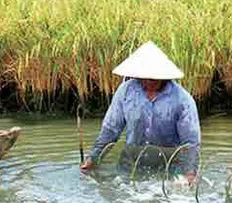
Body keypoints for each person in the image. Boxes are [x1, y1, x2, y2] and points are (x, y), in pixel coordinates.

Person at [80, 41, 201, 185]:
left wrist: (189, 172)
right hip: (132, 161)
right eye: (145, 77)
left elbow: (190, 142)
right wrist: (93, 158)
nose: (149, 81)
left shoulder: (182, 99)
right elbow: (111, 130)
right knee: (123, 194)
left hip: (169, 164)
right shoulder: (125, 91)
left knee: (167, 199)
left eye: (154, 78)